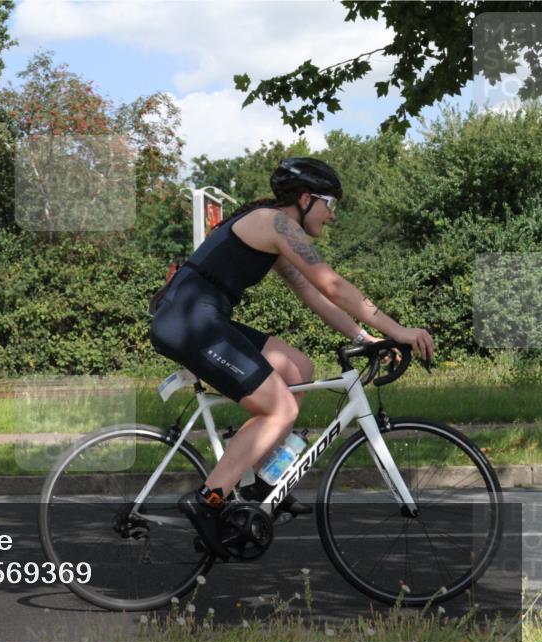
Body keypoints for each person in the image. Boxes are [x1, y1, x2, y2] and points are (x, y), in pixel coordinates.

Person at [148, 157, 434, 559]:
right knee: (278, 409)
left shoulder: (275, 230)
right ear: (305, 199)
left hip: (202, 317)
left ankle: (258, 486)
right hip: (189, 322)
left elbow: (314, 295)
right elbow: (333, 284)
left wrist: (362, 336)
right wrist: (399, 331)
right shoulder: (277, 224)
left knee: (298, 368)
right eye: (330, 204)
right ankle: (208, 500)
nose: (332, 216)